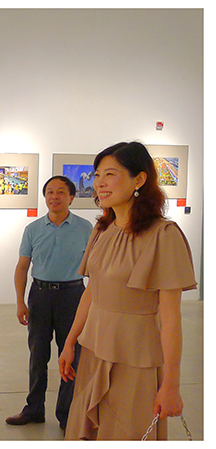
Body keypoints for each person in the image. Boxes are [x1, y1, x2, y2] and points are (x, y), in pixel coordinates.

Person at [58, 141, 197, 440]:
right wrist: (70, 342)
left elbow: (171, 318)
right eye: (97, 175)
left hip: (135, 356)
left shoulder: (163, 235)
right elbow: (92, 293)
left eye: (110, 174)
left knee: (125, 431)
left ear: (139, 179)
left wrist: (171, 384)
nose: (100, 183)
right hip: (94, 349)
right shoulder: (102, 230)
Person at [5, 176, 93, 431]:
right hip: (40, 295)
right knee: (38, 355)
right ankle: (34, 409)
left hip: (73, 295)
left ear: (71, 197)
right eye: (50, 192)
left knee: (71, 356)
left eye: (61, 192)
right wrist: (20, 302)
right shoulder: (33, 229)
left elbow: (95, 268)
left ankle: (67, 414)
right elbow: (22, 267)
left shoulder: (85, 227)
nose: (54, 197)